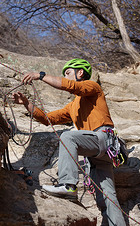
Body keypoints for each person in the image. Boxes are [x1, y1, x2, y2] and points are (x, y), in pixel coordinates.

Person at [13, 59, 125, 226]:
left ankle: (68, 185)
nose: (65, 77)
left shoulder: (93, 87)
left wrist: (40, 75)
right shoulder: (73, 106)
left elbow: (72, 86)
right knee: (107, 197)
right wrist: (27, 104)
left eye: (67, 73)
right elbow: (47, 119)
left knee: (68, 136)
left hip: (102, 139)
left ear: (80, 73)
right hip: (99, 154)